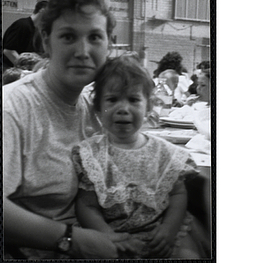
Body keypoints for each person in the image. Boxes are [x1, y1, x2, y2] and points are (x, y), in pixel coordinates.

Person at [3, 0, 122, 259]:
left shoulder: (90, 108)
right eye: (68, 36)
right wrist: (73, 240)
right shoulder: (13, 107)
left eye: (94, 37)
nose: (83, 51)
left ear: (109, 44)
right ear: (46, 41)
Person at [71, 56, 209, 259]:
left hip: (160, 232)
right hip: (113, 236)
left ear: (149, 107)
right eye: (112, 99)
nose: (123, 108)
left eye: (134, 100)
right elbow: (86, 205)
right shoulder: (93, 155)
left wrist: (169, 229)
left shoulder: (165, 152)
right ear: (97, 107)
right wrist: (109, 237)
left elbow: (178, 194)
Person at [3, 0, 48, 71]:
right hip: (9, 69)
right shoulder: (22, 25)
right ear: (42, 10)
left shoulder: (36, 29)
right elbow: (8, 51)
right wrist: (24, 69)